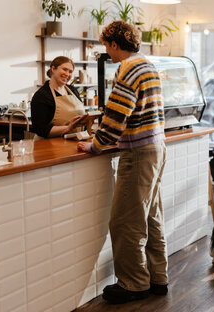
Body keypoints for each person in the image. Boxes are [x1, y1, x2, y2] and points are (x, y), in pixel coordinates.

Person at [77, 21, 167, 304]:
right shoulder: (148, 65)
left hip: (139, 152)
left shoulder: (127, 68)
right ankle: (157, 278)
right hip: (156, 147)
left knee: (125, 222)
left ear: (115, 44)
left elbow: (116, 116)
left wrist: (95, 144)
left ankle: (134, 283)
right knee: (151, 216)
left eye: (106, 45)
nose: (107, 51)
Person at [30, 56, 84, 138]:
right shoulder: (42, 95)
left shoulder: (73, 90)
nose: (67, 74)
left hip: (74, 142)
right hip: (49, 146)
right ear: (53, 69)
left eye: (70, 71)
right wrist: (68, 128)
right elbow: (40, 129)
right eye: (64, 69)